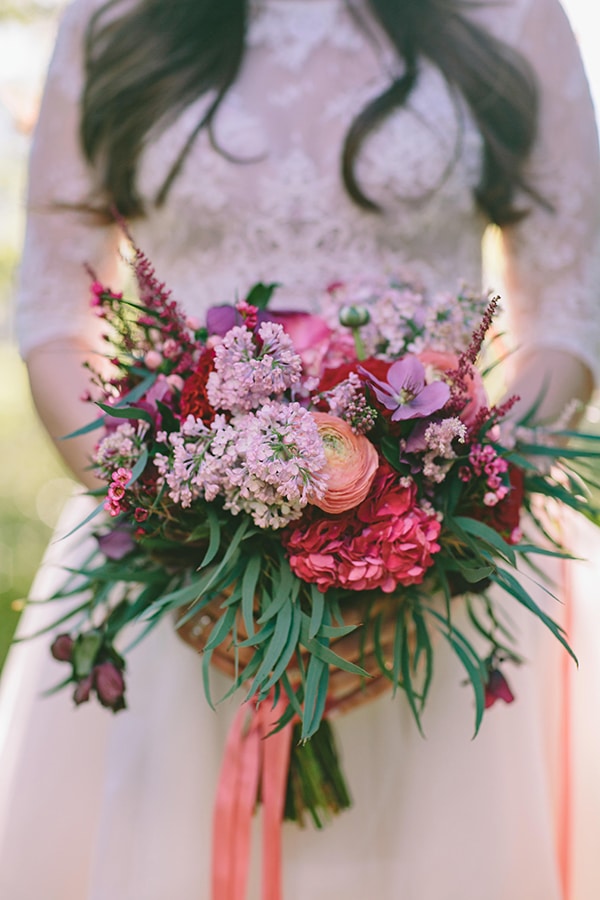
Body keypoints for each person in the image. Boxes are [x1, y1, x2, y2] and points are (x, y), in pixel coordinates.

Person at [1, 0, 599, 897]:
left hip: (443, 592)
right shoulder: (114, 16)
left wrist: (450, 502)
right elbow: (53, 311)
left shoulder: (511, 15)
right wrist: (170, 524)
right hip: (175, 587)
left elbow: (571, 310)